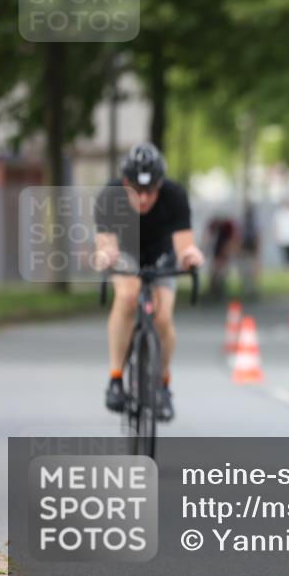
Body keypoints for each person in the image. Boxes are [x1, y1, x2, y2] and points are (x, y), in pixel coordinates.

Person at [93, 142, 205, 422]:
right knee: (128, 296)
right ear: (125, 182)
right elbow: (105, 244)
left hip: (161, 256)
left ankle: (163, 386)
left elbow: (184, 246)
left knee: (163, 315)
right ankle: (116, 378)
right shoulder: (110, 196)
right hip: (125, 253)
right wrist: (106, 255)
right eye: (137, 192)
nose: (143, 199)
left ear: (160, 185)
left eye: (150, 192)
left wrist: (190, 256)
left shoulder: (175, 196)